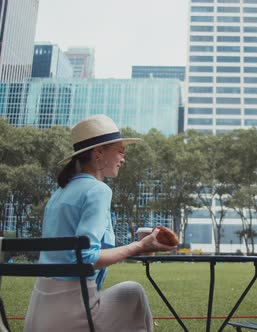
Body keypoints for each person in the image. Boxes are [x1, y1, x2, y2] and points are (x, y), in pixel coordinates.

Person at [24, 115, 175, 332]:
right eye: (121, 150)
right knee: (134, 293)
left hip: (38, 314)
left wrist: (136, 248)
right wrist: (140, 246)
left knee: (129, 296)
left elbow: (78, 251)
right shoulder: (98, 190)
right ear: (99, 153)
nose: (123, 158)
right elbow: (87, 257)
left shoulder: (59, 193)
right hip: (72, 314)